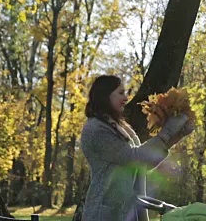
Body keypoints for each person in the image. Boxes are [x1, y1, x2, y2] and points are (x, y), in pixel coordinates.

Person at [81, 75, 193, 221]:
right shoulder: (96, 129)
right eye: (120, 93)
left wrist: (177, 135)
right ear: (105, 95)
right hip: (104, 214)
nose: (126, 98)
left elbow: (143, 164)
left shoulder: (120, 126)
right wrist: (167, 132)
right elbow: (134, 158)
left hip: (127, 212)